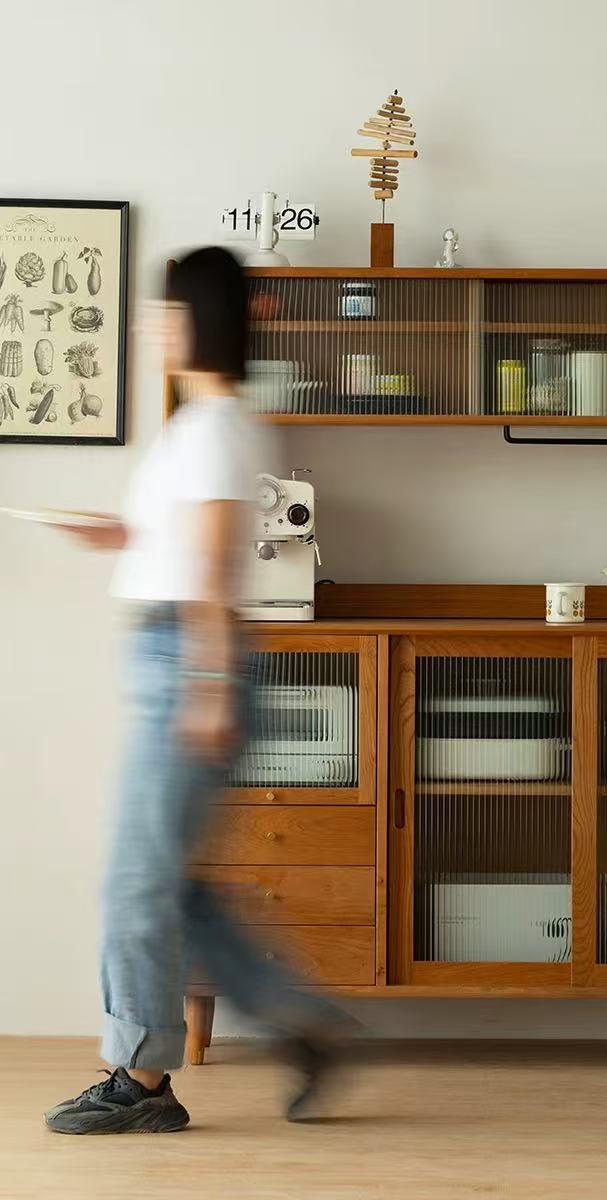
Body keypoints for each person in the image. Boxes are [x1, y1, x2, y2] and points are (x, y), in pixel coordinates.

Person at [44, 247, 349, 1135]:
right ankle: (302, 1021)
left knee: (135, 883)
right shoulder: (195, 427)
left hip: (188, 660)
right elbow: (184, 545)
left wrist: (208, 688)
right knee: (169, 885)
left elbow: (214, 569)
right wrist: (123, 535)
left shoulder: (216, 427)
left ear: (201, 319)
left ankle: (141, 1081)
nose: (152, 325)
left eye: (166, 311)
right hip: (170, 655)